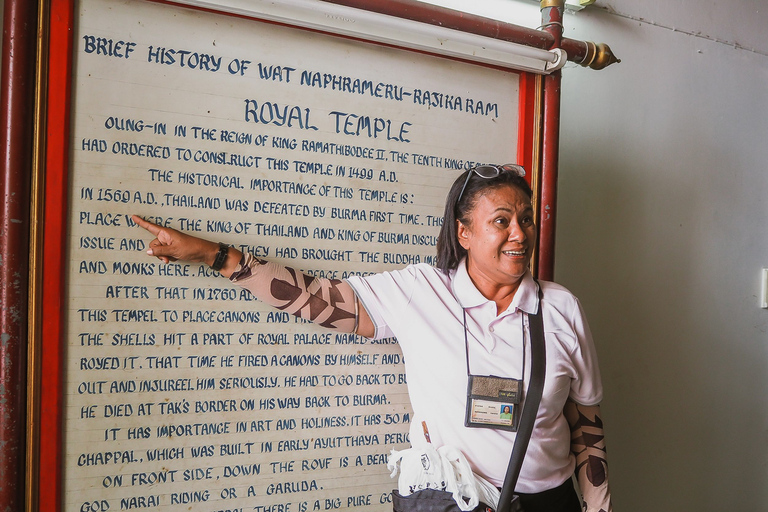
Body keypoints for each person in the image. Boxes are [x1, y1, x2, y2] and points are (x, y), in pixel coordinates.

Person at [132, 163, 613, 512]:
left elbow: (586, 425)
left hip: (551, 503)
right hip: (457, 503)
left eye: (525, 218)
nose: (519, 233)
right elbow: (314, 298)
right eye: (501, 220)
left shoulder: (560, 308)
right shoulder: (419, 292)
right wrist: (215, 256)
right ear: (464, 233)